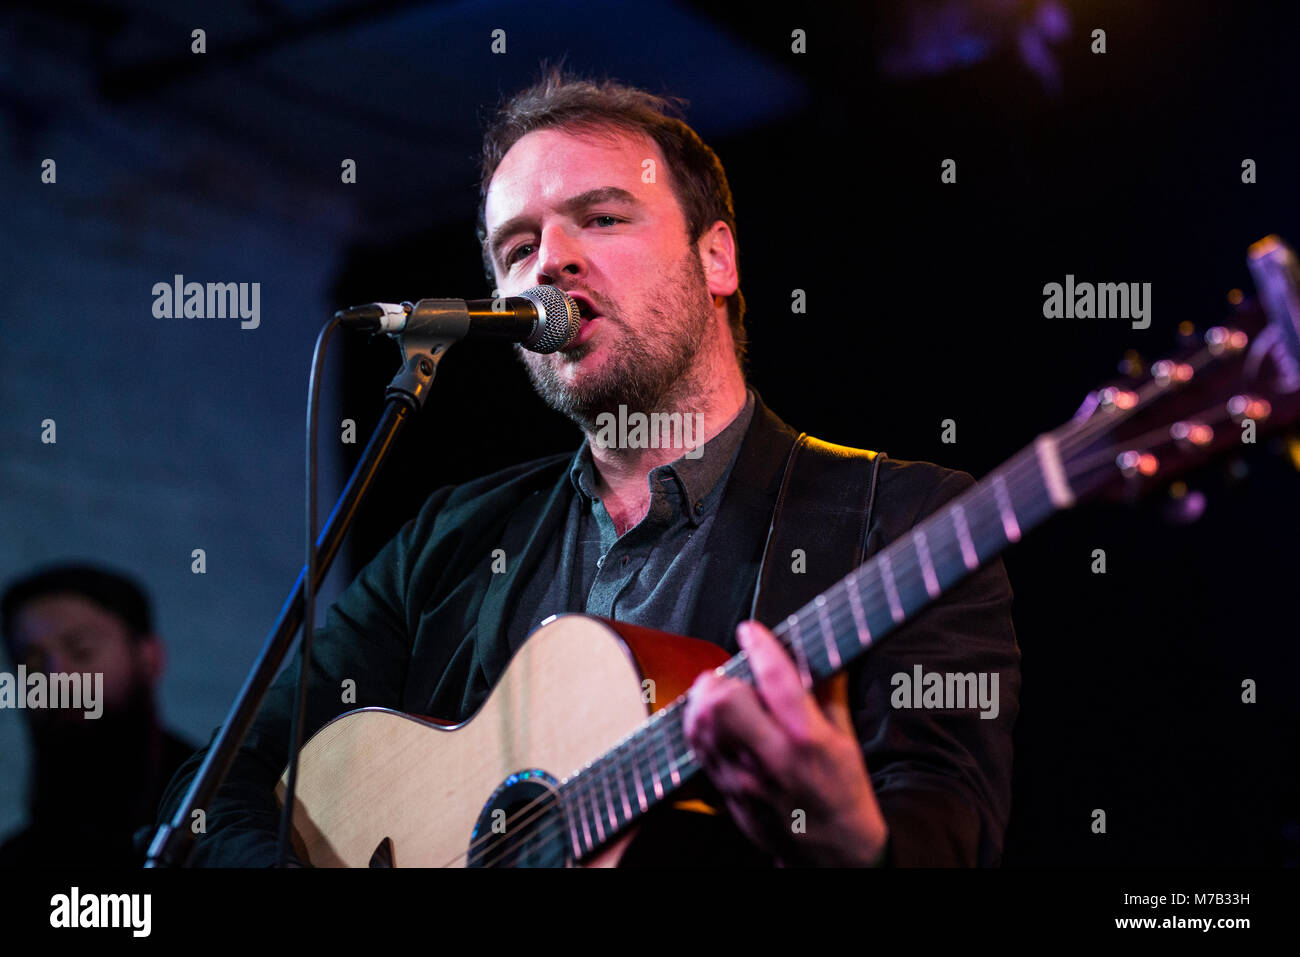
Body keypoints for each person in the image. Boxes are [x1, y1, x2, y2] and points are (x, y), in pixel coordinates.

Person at [157, 68, 1020, 867]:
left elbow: (951, 826)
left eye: (601, 218)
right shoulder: (449, 541)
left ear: (716, 257)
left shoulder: (900, 518)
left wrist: (854, 841)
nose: (550, 263)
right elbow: (211, 796)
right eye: (517, 246)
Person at [0, 563, 196, 867]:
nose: (56, 677)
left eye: (81, 651)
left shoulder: (226, 807)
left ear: (148, 658)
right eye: (33, 663)